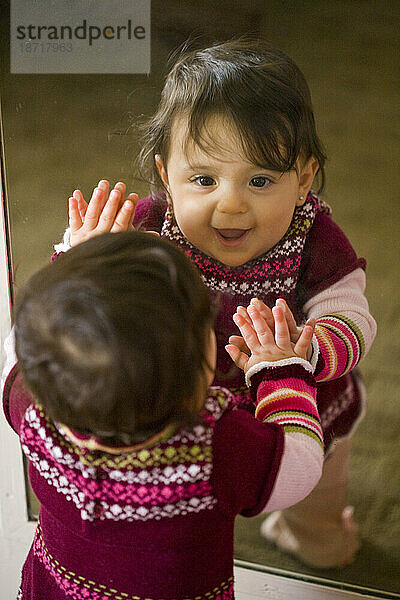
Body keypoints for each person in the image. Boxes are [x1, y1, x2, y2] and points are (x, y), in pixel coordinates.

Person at [57, 39, 377, 568]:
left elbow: (353, 315)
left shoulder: (315, 237)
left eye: (259, 180)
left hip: (298, 400)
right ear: (166, 175)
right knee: (184, 507)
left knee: (316, 493)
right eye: (203, 179)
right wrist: (86, 260)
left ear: (302, 180)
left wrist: (307, 347)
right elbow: (69, 318)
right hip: (185, 406)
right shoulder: (146, 226)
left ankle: (313, 537)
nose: (230, 203)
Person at [2, 231, 322, 600]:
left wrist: (76, 259)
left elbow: (19, 348)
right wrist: (280, 374)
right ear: (197, 379)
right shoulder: (214, 448)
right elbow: (299, 469)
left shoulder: (33, 409)